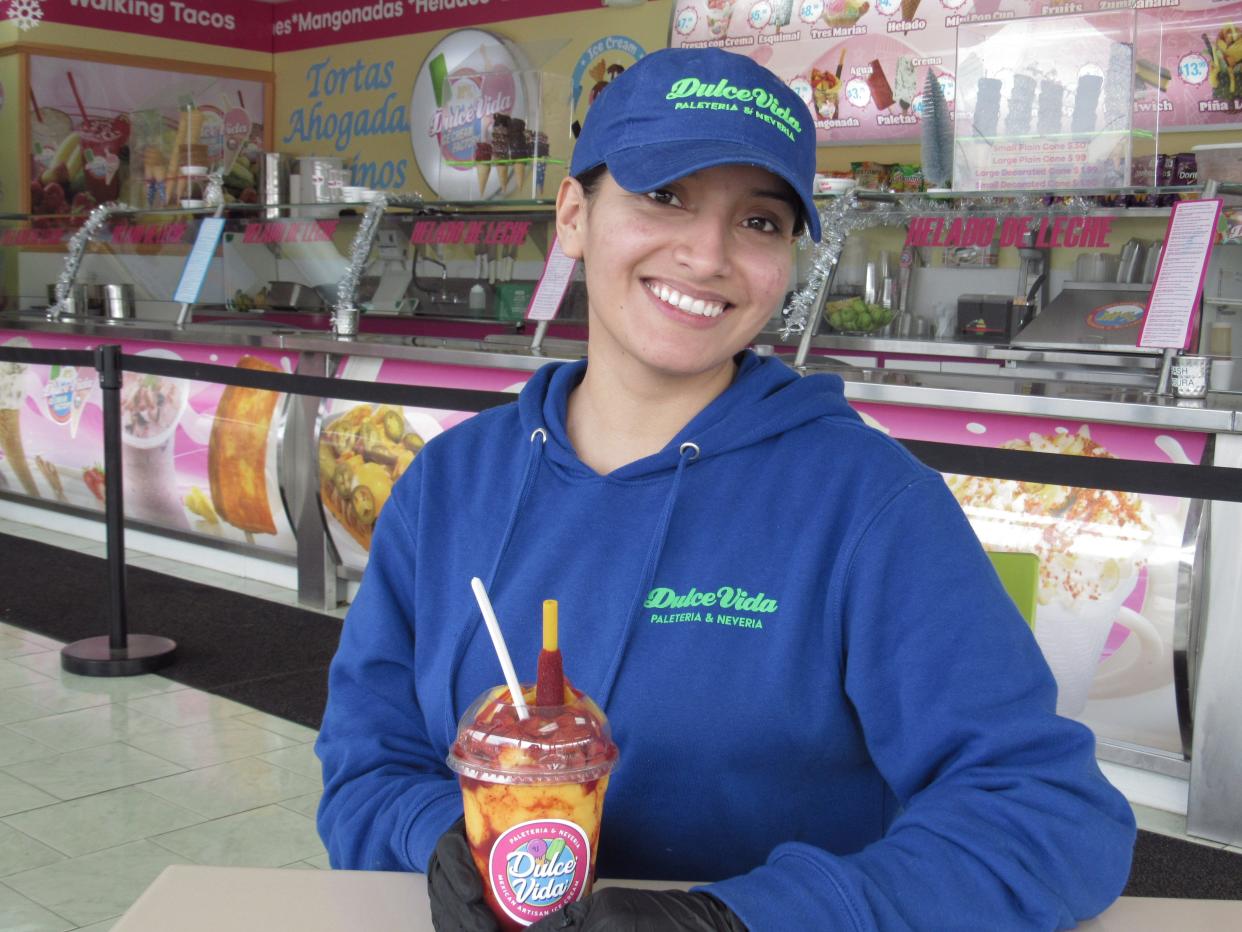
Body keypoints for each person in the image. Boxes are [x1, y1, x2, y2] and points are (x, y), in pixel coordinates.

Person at [315, 46, 1136, 931]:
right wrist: (438, 834)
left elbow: (1050, 815)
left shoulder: (870, 507)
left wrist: (742, 920)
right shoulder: (449, 485)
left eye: (759, 222)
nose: (707, 255)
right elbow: (368, 761)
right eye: (663, 197)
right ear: (573, 215)